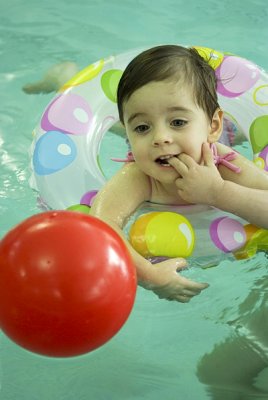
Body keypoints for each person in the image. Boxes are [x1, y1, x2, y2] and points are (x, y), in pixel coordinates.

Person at [90, 45, 268, 303]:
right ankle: (67, 79)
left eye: (177, 122)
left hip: (214, 139)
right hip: (186, 141)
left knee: (234, 132)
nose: (161, 138)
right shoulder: (139, 175)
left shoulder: (222, 162)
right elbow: (101, 225)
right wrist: (150, 275)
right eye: (141, 127)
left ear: (212, 125)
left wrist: (219, 193)